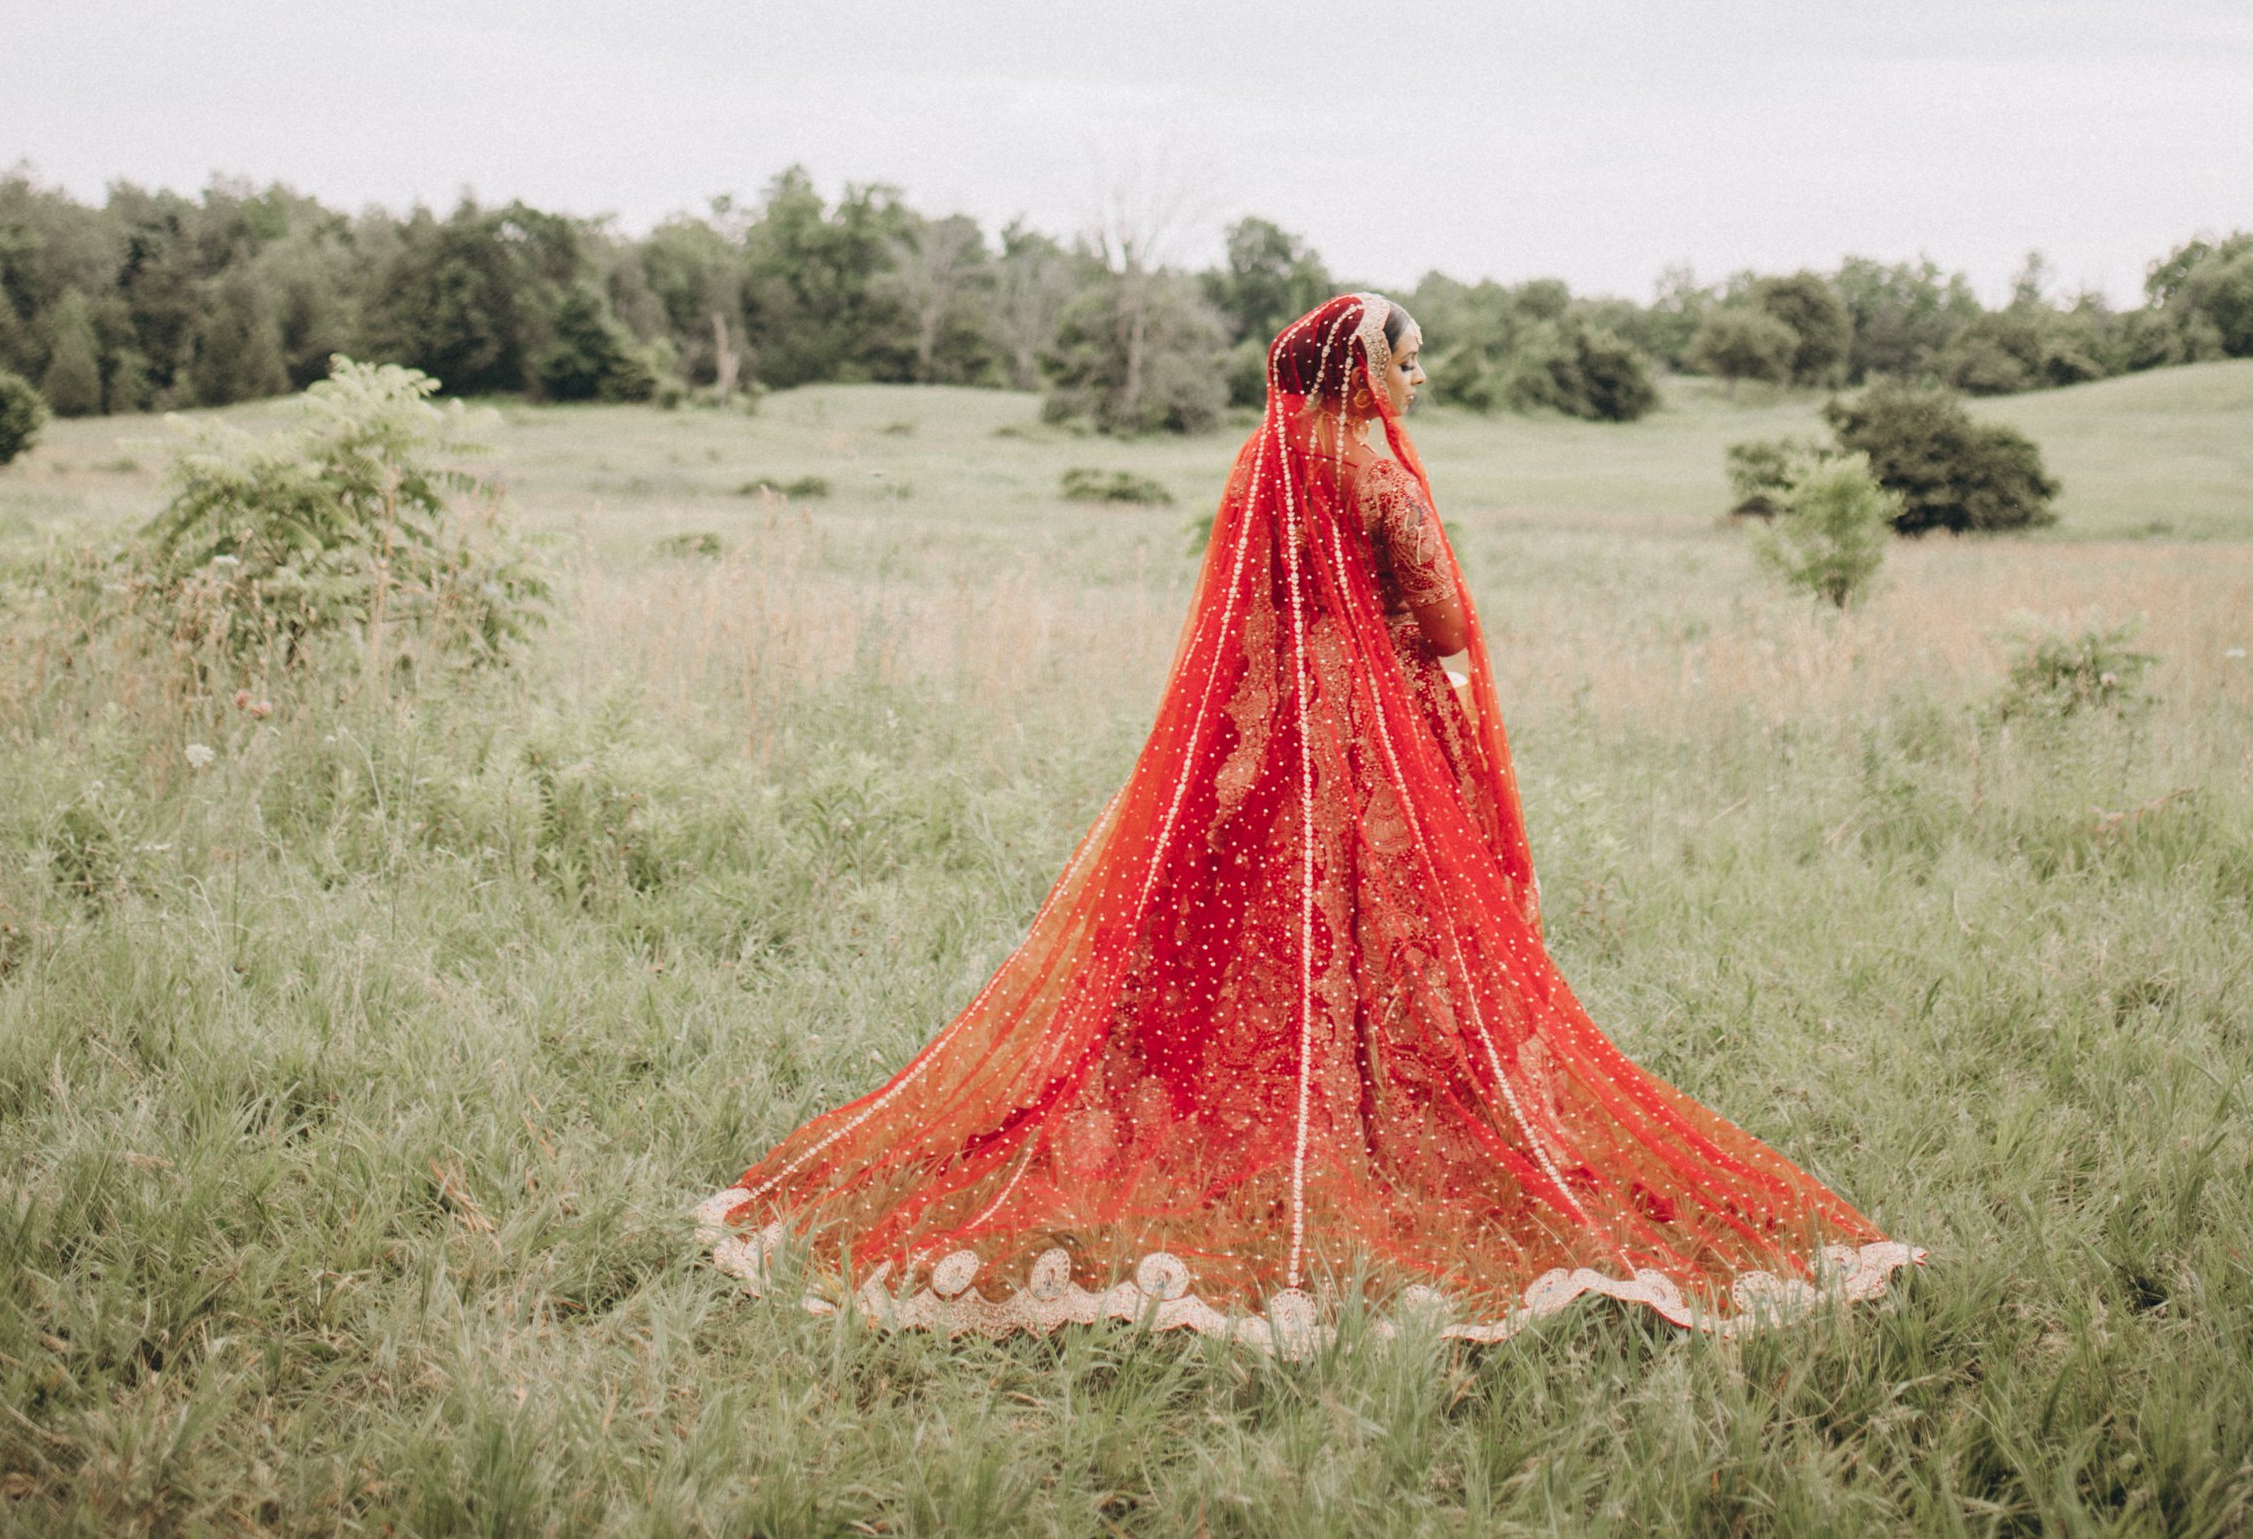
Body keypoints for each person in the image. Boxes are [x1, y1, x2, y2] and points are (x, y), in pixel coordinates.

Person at [703, 291, 1915, 1348]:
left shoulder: (1259, 458)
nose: (1418, 380)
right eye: (1407, 361)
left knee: (1247, 914)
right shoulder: (1375, 474)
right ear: (1360, 371)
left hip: (1253, 723)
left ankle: (1238, 1106)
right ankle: (1371, 1118)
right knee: (1382, 921)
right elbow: (1444, 623)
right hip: (1371, 725)